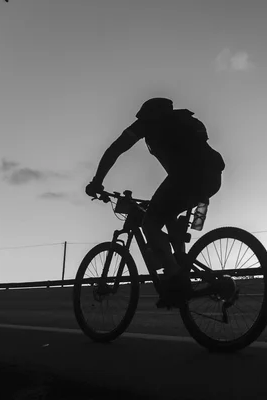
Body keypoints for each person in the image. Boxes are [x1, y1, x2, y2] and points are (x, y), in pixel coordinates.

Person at [85, 97, 225, 308]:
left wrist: (97, 182)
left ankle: (177, 279)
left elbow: (115, 149)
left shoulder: (147, 124)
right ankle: (178, 266)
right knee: (168, 213)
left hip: (186, 177)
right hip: (212, 178)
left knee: (150, 223)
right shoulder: (180, 122)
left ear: (147, 115)